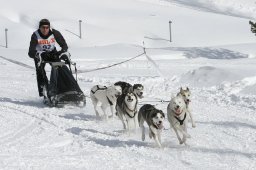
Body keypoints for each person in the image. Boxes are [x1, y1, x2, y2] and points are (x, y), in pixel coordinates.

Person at [28, 19, 70, 97]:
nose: (45, 29)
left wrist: (62, 52)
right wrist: (38, 54)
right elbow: (30, 52)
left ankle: (64, 89)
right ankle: (44, 91)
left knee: (59, 68)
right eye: (43, 27)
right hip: (40, 54)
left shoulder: (54, 33)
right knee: (40, 71)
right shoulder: (35, 35)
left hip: (52, 53)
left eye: (47, 27)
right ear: (40, 27)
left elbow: (64, 45)